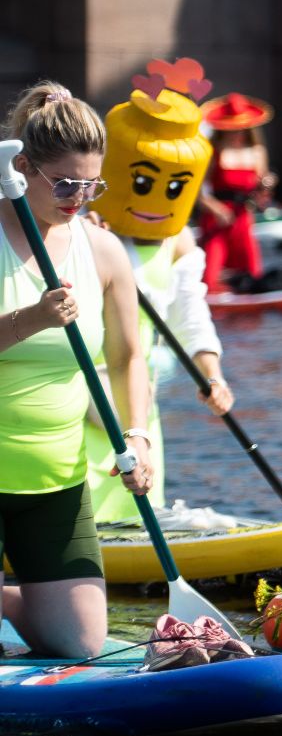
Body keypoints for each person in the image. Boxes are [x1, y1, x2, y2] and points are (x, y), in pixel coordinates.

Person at [0, 83, 153, 658]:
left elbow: (127, 356)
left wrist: (137, 435)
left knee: (81, 645)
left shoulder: (105, 251)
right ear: (21, 167)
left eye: (91, 184)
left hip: (54, 480)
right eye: (65, 183)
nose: (79, 197)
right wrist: (32, 319)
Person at [86, 60, 232, 524]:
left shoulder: (179, 243)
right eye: (147, 181)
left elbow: (191, 315)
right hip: (79, 394)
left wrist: (211, 374)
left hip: (136, 400)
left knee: (136, 509)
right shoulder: (82, 227)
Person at [196, 94, 275, 291]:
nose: (236, 133)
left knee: (252, 271)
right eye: (231, 129)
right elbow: (196, 191)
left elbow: (263, 192)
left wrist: (267, 185)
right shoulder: (213, 151)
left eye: (240, 128)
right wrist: (215, 209)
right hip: (217, 220)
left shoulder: (257, 151)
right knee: (210, 275)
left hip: (243, 218)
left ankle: (248, 309)